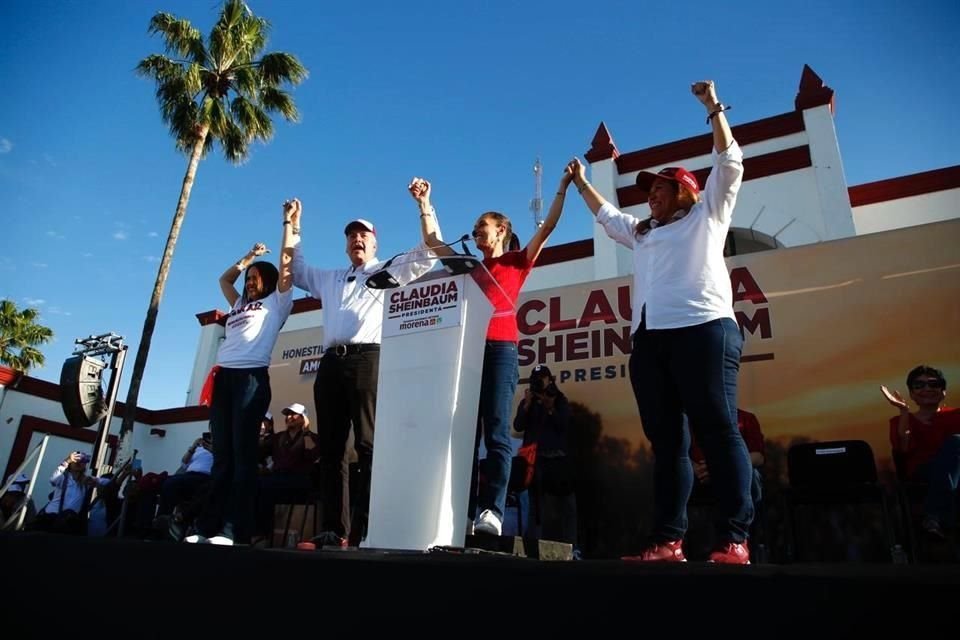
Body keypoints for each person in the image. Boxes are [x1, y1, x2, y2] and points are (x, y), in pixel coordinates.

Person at [569, 80, 753, 564]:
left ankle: (734, 537)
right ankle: (668, 541)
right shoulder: (643, 233)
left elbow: (730, 163)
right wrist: (581, 180)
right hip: (650, 342)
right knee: (668, 443)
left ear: (685, 192)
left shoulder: (708, 214)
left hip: (705, 329)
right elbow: (608, 217)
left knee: (717, 431)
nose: (650, 196)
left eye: (659, 188)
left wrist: (713, 108)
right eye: (648, 190)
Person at [408, 162, 573, 536]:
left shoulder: (517, 262)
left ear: (501, 230)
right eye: (476, 228)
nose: (477, 232)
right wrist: (424, 203)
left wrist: (562, 186)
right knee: (464, 433)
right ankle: (461, 513)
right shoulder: (469, 267)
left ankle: (492, 511)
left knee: (497, 432)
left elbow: (547, 227)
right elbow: (434, 243)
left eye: (482, 226)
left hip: (501, 349)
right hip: (467, 352)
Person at [289, 202, 435, 547]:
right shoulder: (331, 278)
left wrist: (424, 206)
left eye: (363, 234)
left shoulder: (386, 270)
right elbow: (296, 270)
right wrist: (293, 227)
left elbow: (428, 254)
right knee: (332, 449)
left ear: (374, 243)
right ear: (345, 244)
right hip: (330, 363)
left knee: (369, 445)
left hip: (367, 358)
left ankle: (367, 530)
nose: (357, 239)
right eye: (352, 235)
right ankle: (334, 530)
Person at [187, 199, 297, 545]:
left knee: (242, 458)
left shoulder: (277, 302)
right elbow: (224, 278)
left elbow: (286, 262)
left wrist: (288, 224)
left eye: (255, 278)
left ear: (268, 281)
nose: (249, 282)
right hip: (224, 379)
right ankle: (207, 529)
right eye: (248, 279)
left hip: (251, 379)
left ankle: (234, 531)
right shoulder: (238, 304)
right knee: (223, 457)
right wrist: (248, 256)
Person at [882, 365, 960, 538]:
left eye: (934, 384)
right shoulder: (901, 420)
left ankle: (934, 519)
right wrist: (903, 411)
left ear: (943, 391)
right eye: (919, 385)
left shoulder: (957, 415)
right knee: (957, 442)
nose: (927, 389)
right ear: (911, 394)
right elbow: (903, 446)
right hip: (921, 472)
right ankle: (938, 518)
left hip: (956, 473)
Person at [513, 365, 577, 545]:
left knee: (567, 505)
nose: (539, 381)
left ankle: (572, 547)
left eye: (542, 378)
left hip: (557, 459)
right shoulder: (529, 399)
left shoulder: (559, 398)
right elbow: (518, 426)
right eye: (536, 378)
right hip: (535, 461)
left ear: (550, 379)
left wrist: (550, 407)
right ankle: (532, 546)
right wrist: (526, 405)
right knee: (535, 507)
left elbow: (563, 426)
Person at [255, 402, 320, 539]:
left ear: (303, 418)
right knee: (256, 485)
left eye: (293, 414)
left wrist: (306, 431)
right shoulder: (278, 437)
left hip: (299, 480)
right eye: (287, 414)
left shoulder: (311, 437)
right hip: (278, 478)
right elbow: (259, 452)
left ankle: (263, 535)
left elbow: (312, 455)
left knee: (266, 488)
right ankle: (258, 533)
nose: (288, 417)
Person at [33, 452, 111, 535]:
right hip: (51, 518)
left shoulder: (86, 481)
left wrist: (95, 481)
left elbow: (108, 482)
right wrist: (66, 461)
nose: (78, 463)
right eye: (76, 460)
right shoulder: (63, 478)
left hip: (68, 523)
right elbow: (53, 479)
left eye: (82, 461)